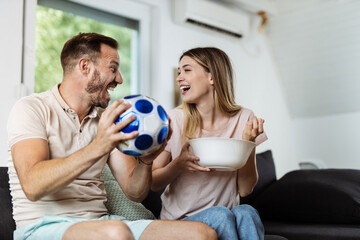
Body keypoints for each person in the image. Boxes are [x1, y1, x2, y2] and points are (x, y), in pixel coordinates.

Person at [7, 33, 217, 240]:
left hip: (103, 222)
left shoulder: (106, 119)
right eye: (113, 69)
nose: (119, 79)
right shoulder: (32, 108)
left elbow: (134, 192)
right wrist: (99, 146)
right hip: (44, 226)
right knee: (116, 232)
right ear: (85, 66)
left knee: (202, 233)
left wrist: (146, 161)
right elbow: (32, 186)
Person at [151, 47, 267, 240]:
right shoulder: (174, 120)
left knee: (247, 212)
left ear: (211, 77)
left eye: (187, 70)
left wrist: (248, 143)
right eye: (179, 72)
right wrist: (178, 164)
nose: (179, 77)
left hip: (228, 214)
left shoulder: (244, 118)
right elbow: (154, 182)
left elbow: (246, 189)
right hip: (180, 221)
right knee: (220, 215)